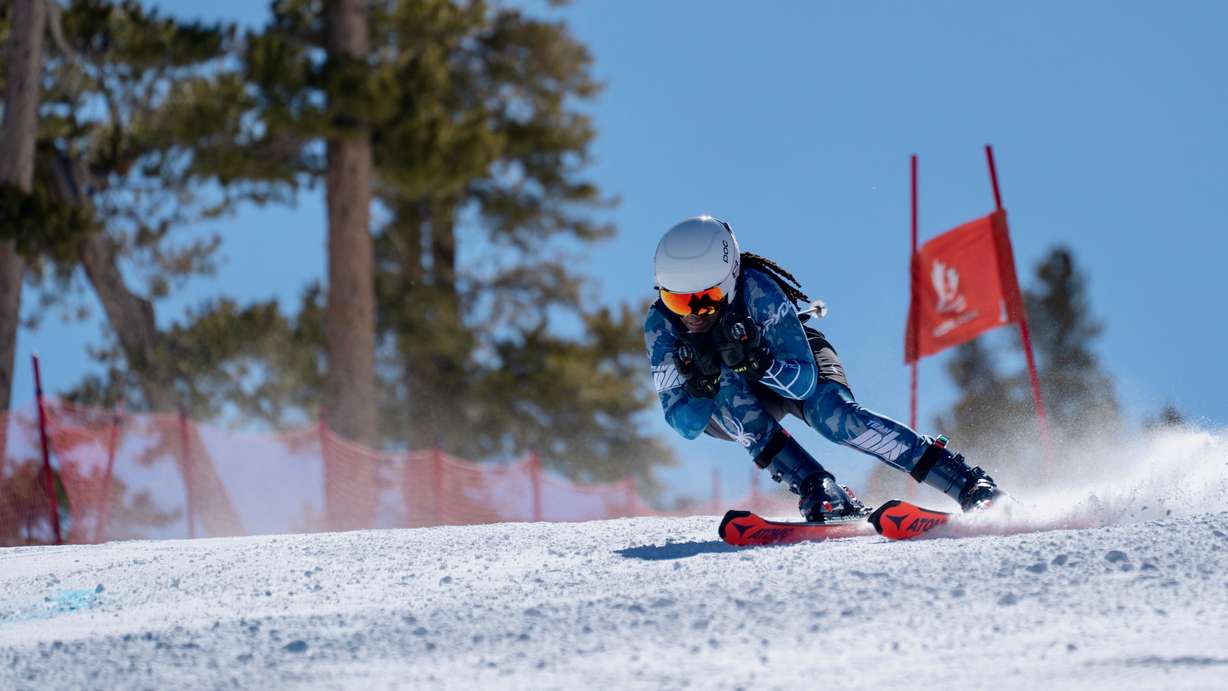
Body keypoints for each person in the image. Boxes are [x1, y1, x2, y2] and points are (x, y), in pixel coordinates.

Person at [644, 216, 1004, 522]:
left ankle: (965, 481)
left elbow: (802, 384)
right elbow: (683, 423)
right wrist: (700, 386)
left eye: (706, 300)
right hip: (734, 396)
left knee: (833, 415)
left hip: (794, 362)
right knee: (726, 391)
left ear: (730, 280)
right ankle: (817, 486)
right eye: (677, 300)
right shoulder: (661, 325)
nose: (691, 313)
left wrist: (762, 362)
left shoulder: (759, 291)